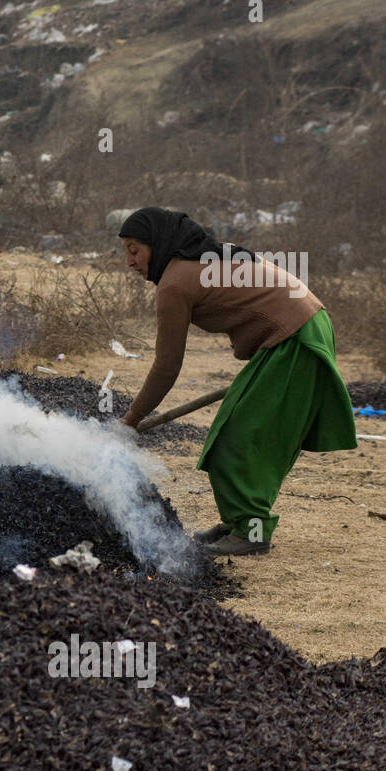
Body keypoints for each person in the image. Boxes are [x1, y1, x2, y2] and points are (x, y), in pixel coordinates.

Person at [116, 207, 357, 556]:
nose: (129, 261)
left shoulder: (175, 282)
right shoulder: (203, 258)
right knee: (242, 434)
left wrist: (130, 420)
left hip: (294, 338)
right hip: (304, 328)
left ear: (159, 242)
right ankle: (239, 522)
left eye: (134, 249)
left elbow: (167, 366)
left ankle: (251, 532)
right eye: (125, 250)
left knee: (237, 438)